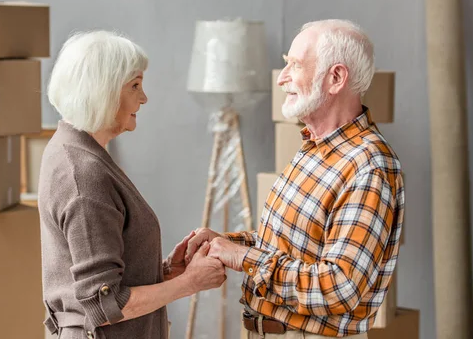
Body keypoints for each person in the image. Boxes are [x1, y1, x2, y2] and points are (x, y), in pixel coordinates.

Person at [184, 20, 405, 338]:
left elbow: (338, 287)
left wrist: (244, 257)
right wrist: (226, 243)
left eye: (295, 66)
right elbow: (289, 247)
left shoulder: (369, 167)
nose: (282, 78)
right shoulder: (316, 148)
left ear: (336, 78)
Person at [38, 31, 226, 339]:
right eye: (135, 86)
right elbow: (103, 304)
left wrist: (164, 273)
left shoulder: (76, 152)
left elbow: (104, 280)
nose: (144, 97)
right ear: (104, 91)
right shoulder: (83, 174)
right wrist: (190, 283)